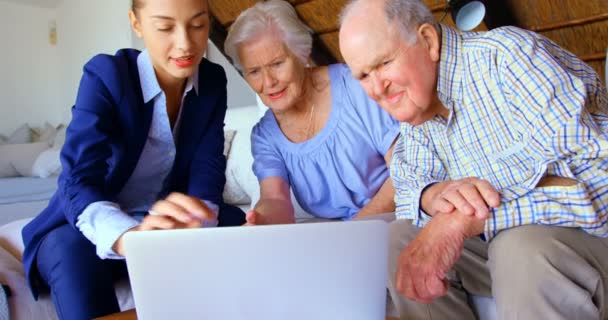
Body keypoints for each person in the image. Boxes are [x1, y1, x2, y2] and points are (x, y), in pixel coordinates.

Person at [339, 0, 608, 319]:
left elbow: (598, 178)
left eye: (383, 63)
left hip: (590, 242)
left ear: (428, 41)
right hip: (508, 255)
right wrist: (433, 196)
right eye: (363, 75)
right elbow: (409, 183)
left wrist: (467, 218)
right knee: (401, 240)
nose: (377, 89)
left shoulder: (508, 57)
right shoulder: (416, 100)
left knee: (519, 246)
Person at [20, 0, 245, 318]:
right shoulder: (106, 75)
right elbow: (78, 178)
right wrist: (130, 239)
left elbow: (206, 164)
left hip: (161, 220)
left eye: (198, 24)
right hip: (92, 226)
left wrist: (197, 221)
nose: (185, 43)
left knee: (237, 223)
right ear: (136, 24)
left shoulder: (212, 80)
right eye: (165, 27)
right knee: (69, 250)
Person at [223, 0, 400, 225]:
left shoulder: (356, 86)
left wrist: (358, 227)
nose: (268, 82)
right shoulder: (265, 136)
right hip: (346, 237)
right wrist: (261, 219)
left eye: (277, 64)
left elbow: (404, 168)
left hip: (402, 214)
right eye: (254, 71)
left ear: (301, 53)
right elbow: (275, 198)